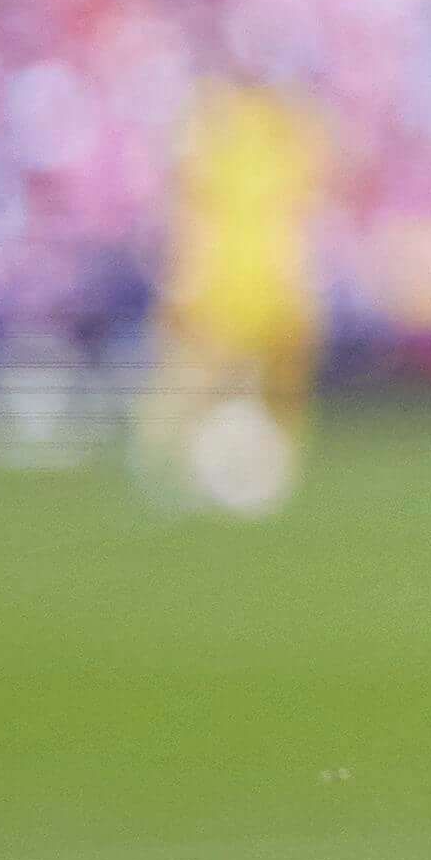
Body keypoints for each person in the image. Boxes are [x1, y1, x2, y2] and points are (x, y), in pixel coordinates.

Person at [134, 77, 326, 525]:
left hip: (256, 280)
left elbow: (297, 222)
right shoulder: (221, 138)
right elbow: (193, 215)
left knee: (263, 381)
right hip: (230, 279)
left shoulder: (283, 139)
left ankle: (256, 471)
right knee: (197, 377)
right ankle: (170, 468)